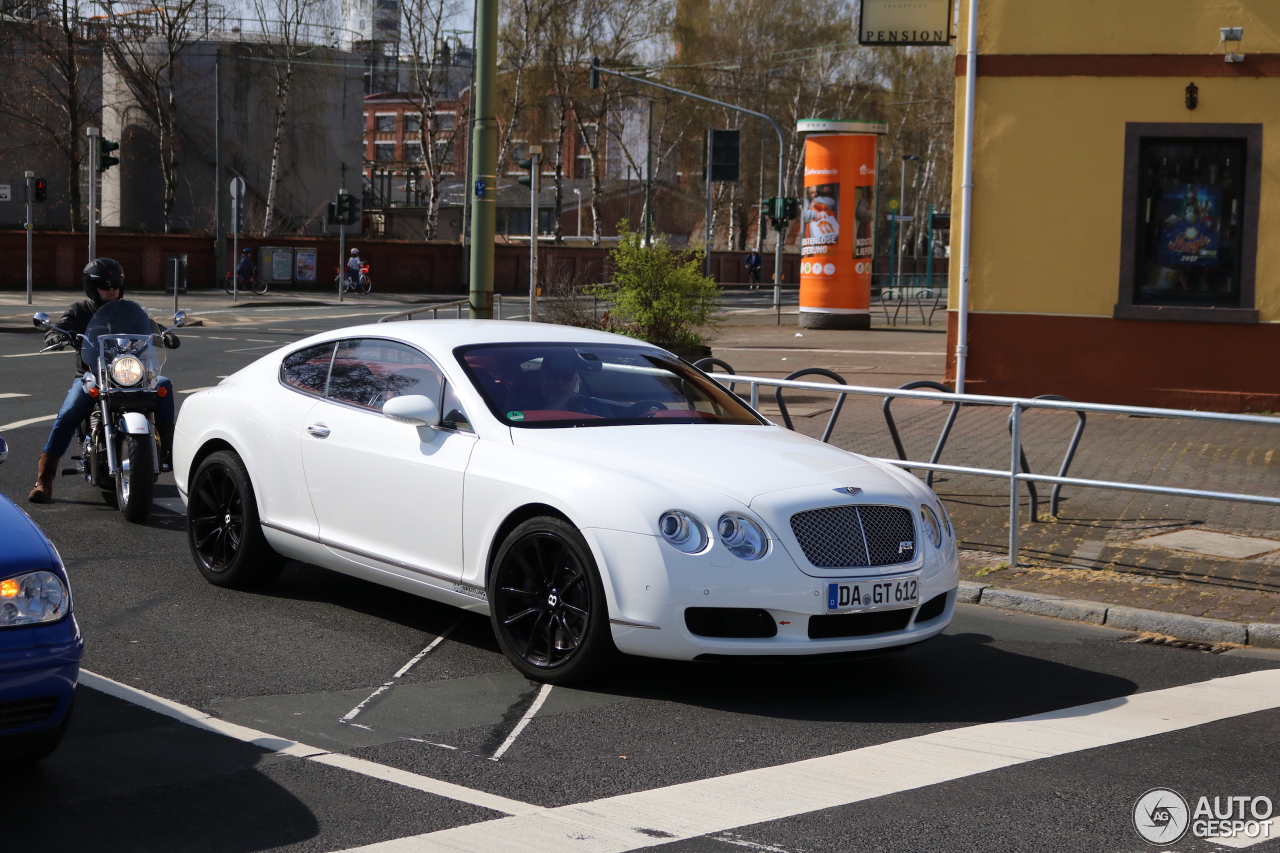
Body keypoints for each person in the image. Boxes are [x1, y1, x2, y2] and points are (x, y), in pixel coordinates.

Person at [28, 259, 180, 504]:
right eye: (103, 285)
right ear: (91, 286)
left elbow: (152, 327)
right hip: (93, 377)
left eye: (115, 285)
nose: (111, 290)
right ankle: (44, 481)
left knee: (164, 384)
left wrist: (166, 334)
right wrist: (55, 334)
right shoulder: (79, 311)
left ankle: (167, 454)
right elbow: (64, 325)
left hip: (132, 376)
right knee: (67, 415)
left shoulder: (132, 310)